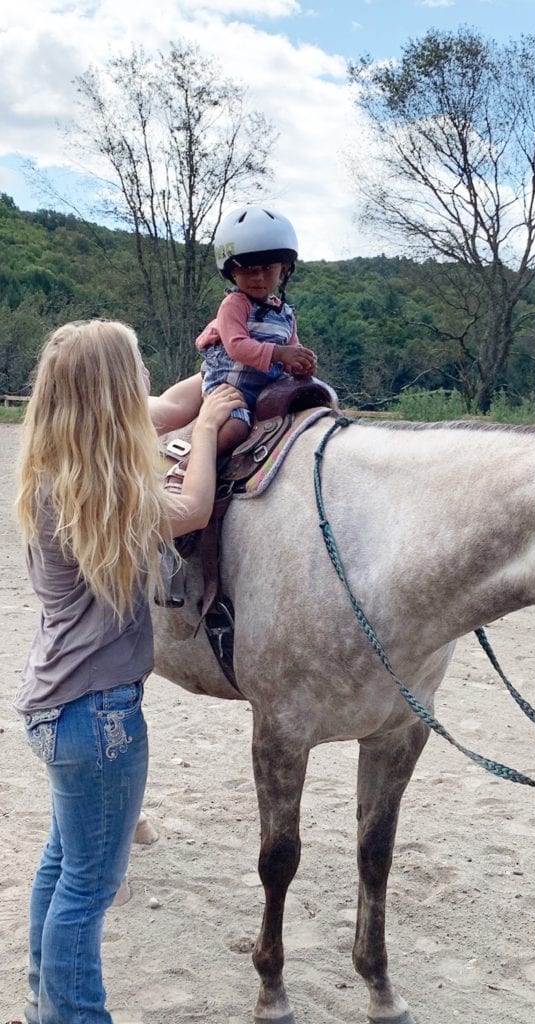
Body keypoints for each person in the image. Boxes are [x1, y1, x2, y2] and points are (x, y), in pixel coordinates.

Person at [14, 319, 244, 1024]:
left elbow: (171, 405)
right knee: (90, 885)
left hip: (56, 706)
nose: (147, 379)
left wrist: (221, 359)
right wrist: (206, 433)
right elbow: (195, 506)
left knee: (61, 864)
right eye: (137, 367)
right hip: (99, 716)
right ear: (115, 389)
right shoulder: (102, 494)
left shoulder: (61, 460)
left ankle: (39, 1001)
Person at [196, 205, 318, 454]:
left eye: (268, 269)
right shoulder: (234, 304)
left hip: (268, 391)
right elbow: (236, 345)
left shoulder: (285, 314)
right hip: (230, 390)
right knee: (235, 429)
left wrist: (299, 362)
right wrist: (279, 353)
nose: (259, 278)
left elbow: (291, 349)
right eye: (249, 271)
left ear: (284, 270)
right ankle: (190, 467)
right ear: (232, 273)